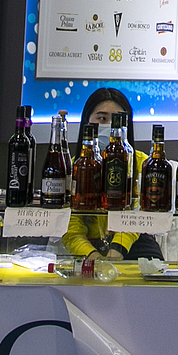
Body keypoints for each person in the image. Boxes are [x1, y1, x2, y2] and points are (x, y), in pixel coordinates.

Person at [62, 88, 155, 263]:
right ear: (87, 122)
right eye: (102, 118)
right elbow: (71, 225)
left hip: (133, 245)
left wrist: (118, 248)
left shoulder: (142, 163)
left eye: (118, 120)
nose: (111, 126)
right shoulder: (76, 166)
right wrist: (91, 256)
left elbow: (138, 214)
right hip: (87, 249)